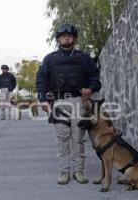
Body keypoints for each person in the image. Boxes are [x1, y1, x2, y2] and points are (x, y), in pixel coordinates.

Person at [36, 24, 101, 185]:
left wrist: (91, 89)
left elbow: (95, 77)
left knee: (78, 138)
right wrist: (43, 99)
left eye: (70, 35)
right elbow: (41, 80)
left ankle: (78, 171)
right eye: (63, 35)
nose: (66, 37)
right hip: (58, 102)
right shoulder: (49, 59)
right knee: (62, 137)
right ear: (58, 39)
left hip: (78, 101)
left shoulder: (84, 58)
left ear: (74, 38)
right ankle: (64, 172)